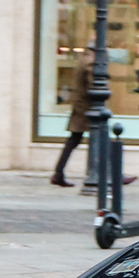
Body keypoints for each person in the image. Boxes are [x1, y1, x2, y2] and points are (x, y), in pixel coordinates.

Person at [51, 50, 99, 187]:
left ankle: (58, 173)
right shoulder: (90, 62)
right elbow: (93, 86)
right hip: (87, 107)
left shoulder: (82, 59)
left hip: (81, 105)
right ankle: (114, 175)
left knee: (74, 140)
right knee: (101, 138)